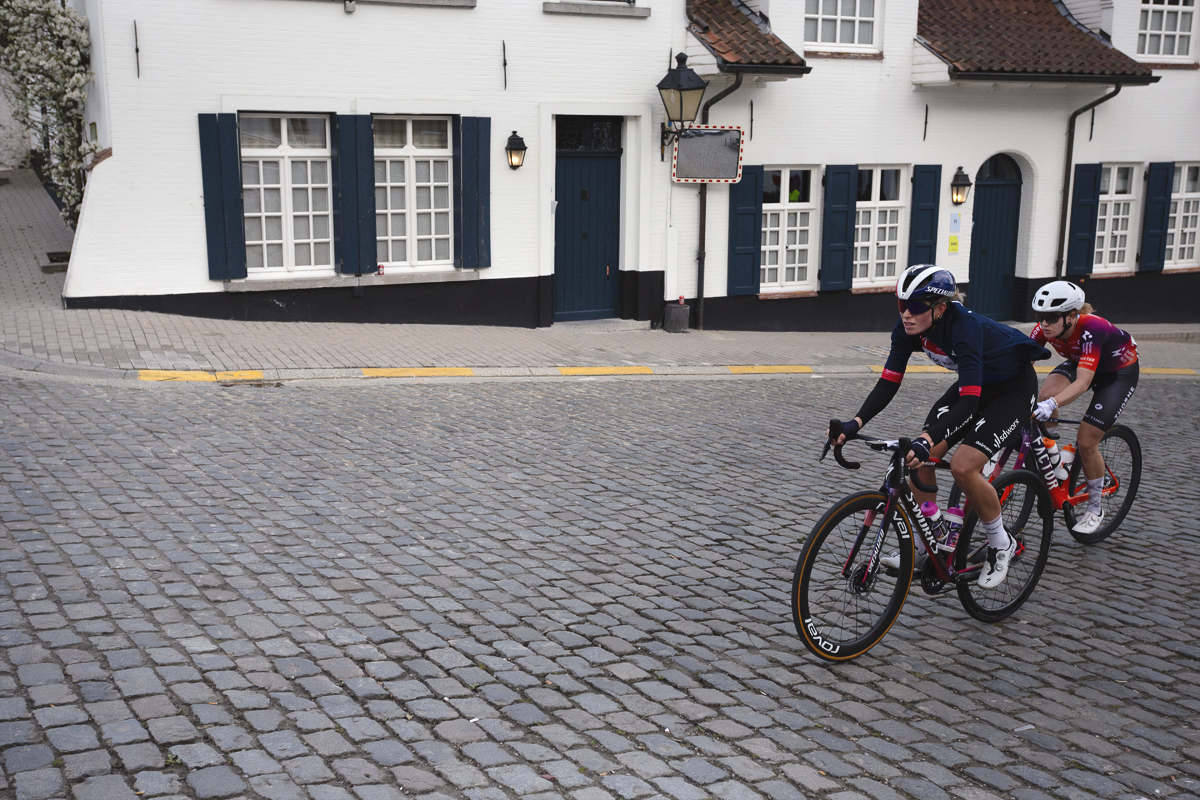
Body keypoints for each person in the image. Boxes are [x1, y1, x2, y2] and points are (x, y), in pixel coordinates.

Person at [829, 265, 1049, 589]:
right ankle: (926, 542)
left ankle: (1002, 543)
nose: (907, 314)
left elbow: (970, 403)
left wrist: (928, 437)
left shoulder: (964, 328)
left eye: (916, 307)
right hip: (976, 386)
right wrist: (855, 422)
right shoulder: (906, 329)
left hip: (1012, 390)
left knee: (963, 467)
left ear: (940, 308)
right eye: (901, 304)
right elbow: (888, 383)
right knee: (918, 457)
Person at [1029, 280, 1139, 535]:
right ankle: (1057, 460)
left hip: (1117, 374)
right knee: (1044, 394)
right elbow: (1024, 361)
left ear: (1071, 316)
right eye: (1040, 316)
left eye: (1051, 317)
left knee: (1087, 441)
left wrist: (1053, 404)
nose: (1044, 323)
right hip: (1081, 362)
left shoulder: (1092, 328)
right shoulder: (1044, 328)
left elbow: (1083, 382)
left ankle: (1095, 507)